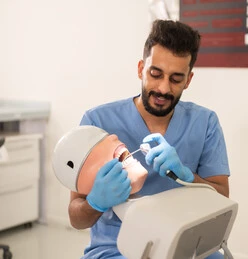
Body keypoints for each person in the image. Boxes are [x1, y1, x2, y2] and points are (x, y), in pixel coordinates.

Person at [68, 19, 230, 258]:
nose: (163, 88)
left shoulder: (205, 122)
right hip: (117, 248)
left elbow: (221, 200)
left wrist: (188, 178)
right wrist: (96, 202)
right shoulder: (97, 122)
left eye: (176, 79)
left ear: (188, 80)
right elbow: (76, 218)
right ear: (140, 69)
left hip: (186, 245)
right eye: (155, 74)